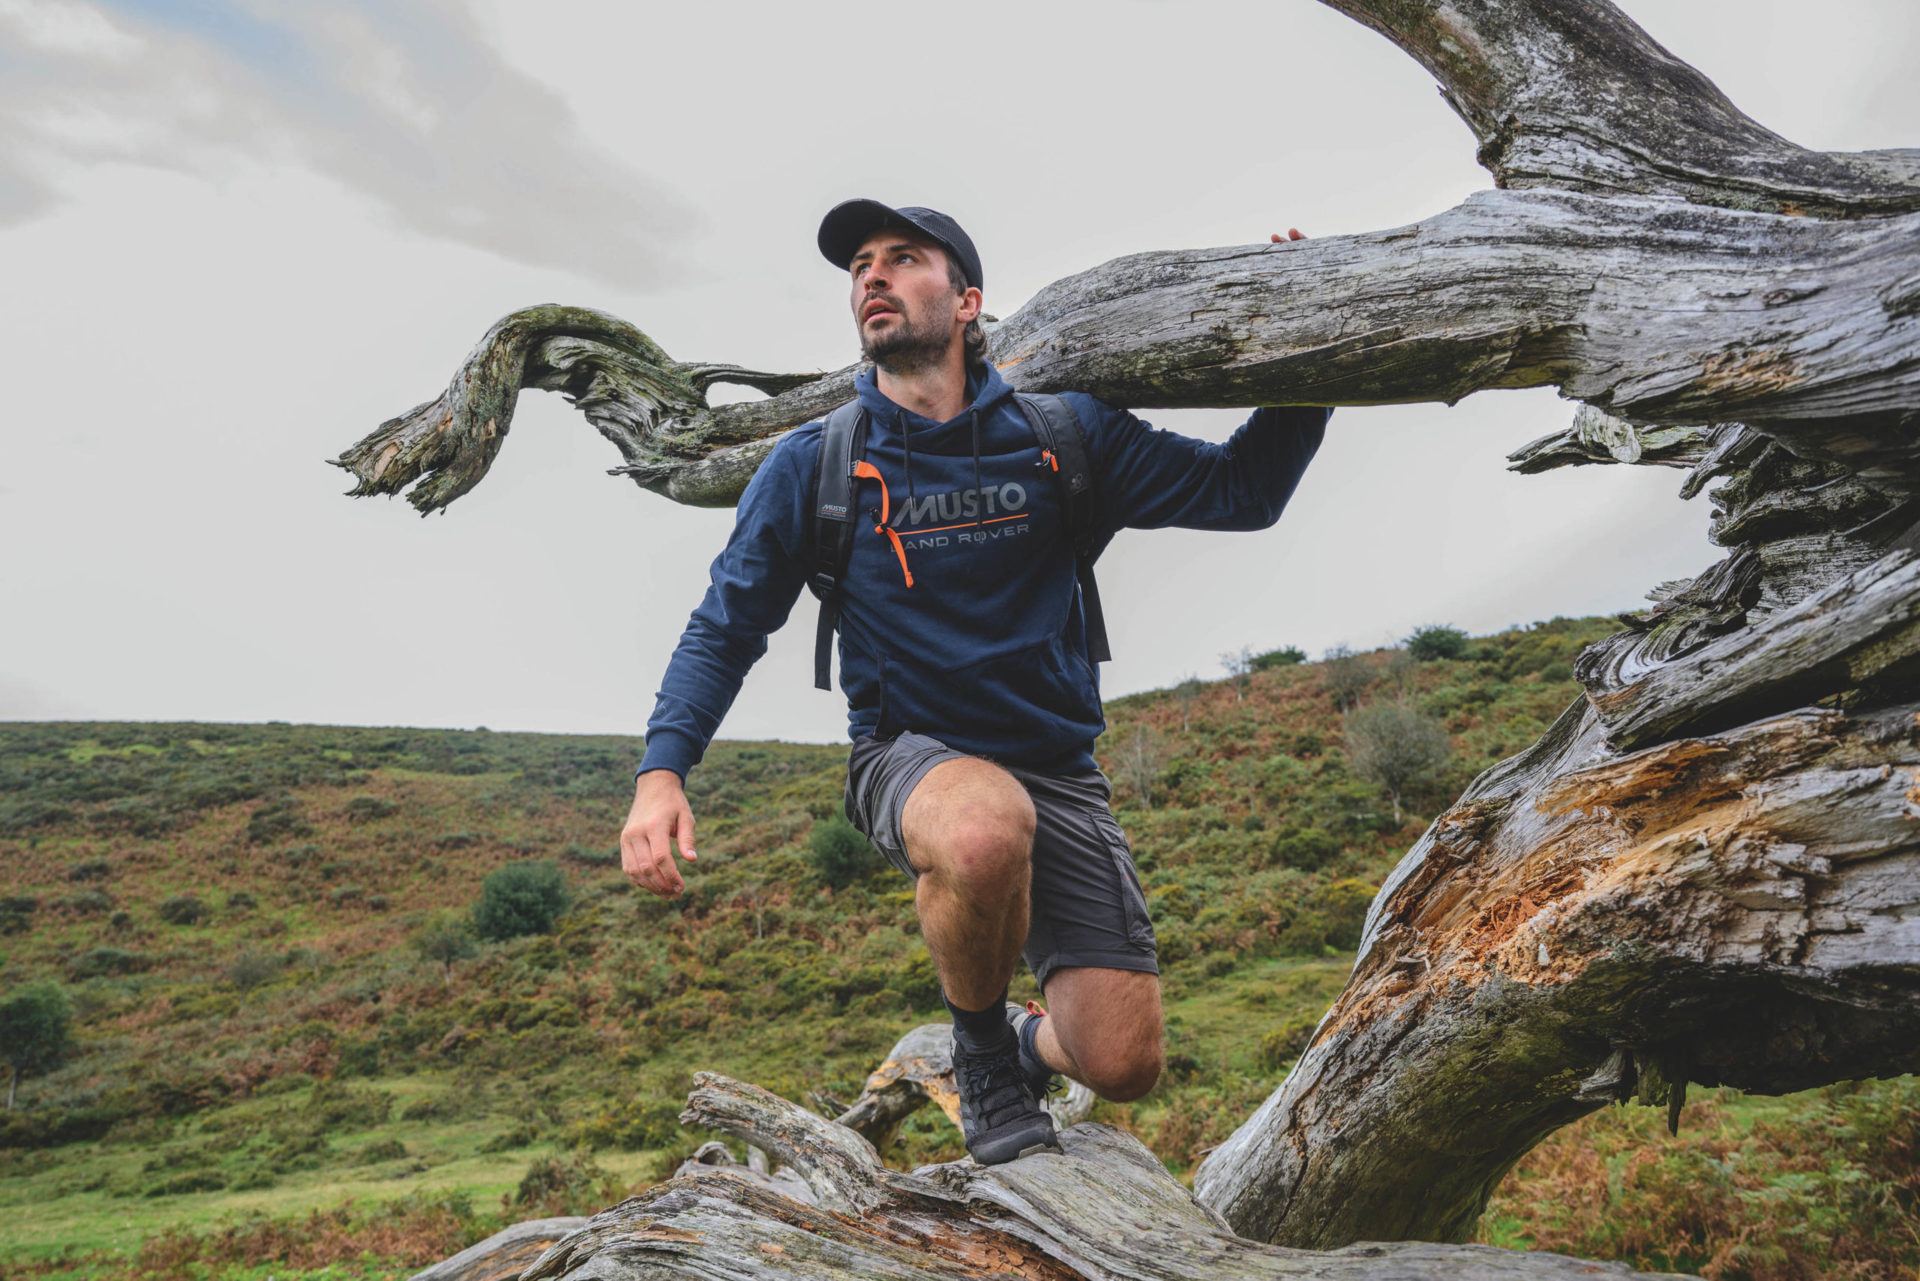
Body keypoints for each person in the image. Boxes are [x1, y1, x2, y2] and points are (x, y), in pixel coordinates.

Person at [621, 199, 1329, 1165]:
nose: (872, 275)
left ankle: (1029, 1042)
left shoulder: (1064, 435)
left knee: (1120, 1060)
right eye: (860, 264)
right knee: (983, 825)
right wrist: (662, 773)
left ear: (966, 301)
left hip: (1057, 765)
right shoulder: (813, 465)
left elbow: (1246, 493)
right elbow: (726, 625)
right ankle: (983, 1046)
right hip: (908, 761)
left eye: (902, 258)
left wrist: (1315, 356)